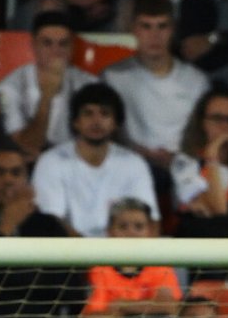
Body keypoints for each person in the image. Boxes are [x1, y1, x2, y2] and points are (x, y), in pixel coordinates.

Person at [30, 81, 158, 238]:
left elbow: (151, 221)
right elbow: (51, 222)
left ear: (115, 123)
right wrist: (91, 257)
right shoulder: (51, 161)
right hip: (69, 256)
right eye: (88, 113)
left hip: (121, 256)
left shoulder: (133, 164)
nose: (96, 121)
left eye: (104, 114)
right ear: (75, 121)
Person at [102, 0, 211, 175]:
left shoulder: (197, 81)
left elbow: (203, 134)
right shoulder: (112, 77)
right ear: (133, 29)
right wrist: (137, 152)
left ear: (173, 30)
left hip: (185, 169)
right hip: (128, 167)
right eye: (146, 26)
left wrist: (178, 156)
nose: (155, 36)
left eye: (162, 26)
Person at [170, 85, 228, 237]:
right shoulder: (185, 162)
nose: (225, 126)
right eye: (217, 118)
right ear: (202, 122)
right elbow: (219, 211)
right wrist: (212, 158)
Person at [0, 11, 97, 156]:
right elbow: (26, 145)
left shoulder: (90, 84)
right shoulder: (9, 87)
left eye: (63, 44)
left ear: (72, 47)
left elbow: (96, 140)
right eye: (47, 43)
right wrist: (46, 97)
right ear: (33, 44)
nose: (55, 51)